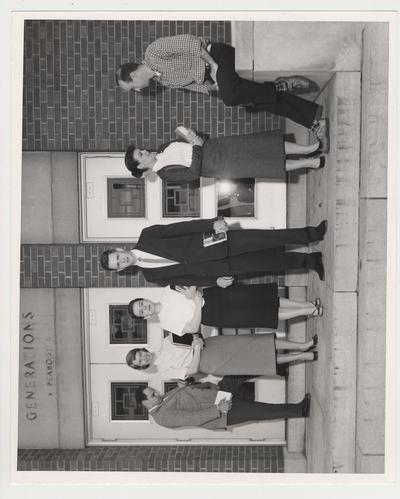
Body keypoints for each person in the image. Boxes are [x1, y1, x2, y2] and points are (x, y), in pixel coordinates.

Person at [116, 34, 329, 149]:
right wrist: (211, 88)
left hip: (218, 56)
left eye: (132, 88)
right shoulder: (161, 81)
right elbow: (193, 85)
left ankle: (281, 85)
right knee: (263, 102)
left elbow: (190, 43)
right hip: (214, 76)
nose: (137, 91)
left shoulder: (153, 52)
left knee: (232, 97)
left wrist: (214, 66)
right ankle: (314, 121)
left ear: (133, 76)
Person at [99, 217, 327, 287]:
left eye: (117, 257)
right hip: (217, 268)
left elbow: (181, 228)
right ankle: (310, 261)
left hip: (215, 242)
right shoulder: (152, 277)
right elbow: (188, 279)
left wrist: (212, 224)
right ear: (121, 269)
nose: (122, 261)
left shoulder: (147, 235)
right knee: (267, 262)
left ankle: (312, 234)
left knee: (267, 238)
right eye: (117, 264)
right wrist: (215, 281)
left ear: (120, 249)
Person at [124, 126, 325, 182]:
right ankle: (310, 163)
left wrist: (194, 136)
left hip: (220, 146)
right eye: (141, 155)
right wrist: (196, 146)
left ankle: (309, 149)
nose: (144, 150)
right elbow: (193, 174)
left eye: (140, 149)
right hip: (220, 166)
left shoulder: (163, 147)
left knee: (265, 145)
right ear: (141, 167)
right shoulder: (164, 174)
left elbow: (194, 141)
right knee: (266, 164)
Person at [135, 378, 312, 429]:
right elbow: (192, 418)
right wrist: (218, 410)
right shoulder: (162, 417)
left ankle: (279, 366)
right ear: (145, 403)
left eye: (154, 390)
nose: (157, 392)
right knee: (261, 410)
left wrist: (187, 385)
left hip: (218, 393)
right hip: (222, 412)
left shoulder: (163, 398)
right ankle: (300, 409)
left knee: (239, 371)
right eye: (152, 394)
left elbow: (188, 397)